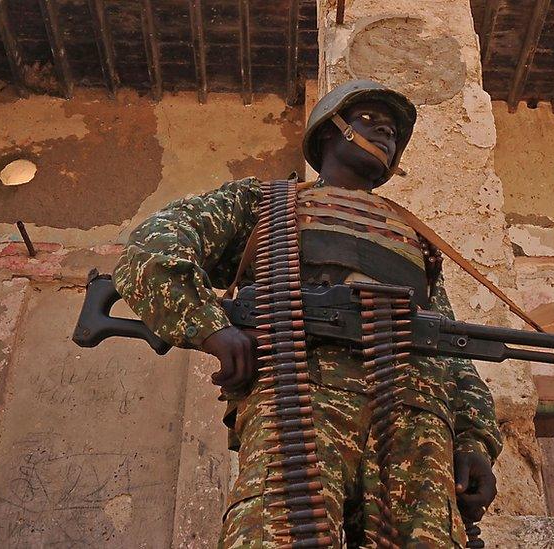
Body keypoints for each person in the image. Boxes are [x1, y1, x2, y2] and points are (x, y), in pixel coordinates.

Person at [114, 80, 501, 547]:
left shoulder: (412, 239)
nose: (385, 135)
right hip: (299, 395)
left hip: (416, 424)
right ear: (329, 132)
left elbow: (448, 346)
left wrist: (474, 439)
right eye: (369, 121)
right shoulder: (265, 203)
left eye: (393, 132)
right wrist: (209, 326)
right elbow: (154, 246)